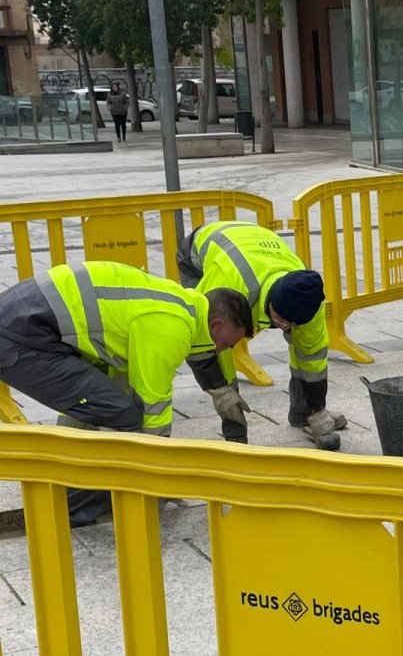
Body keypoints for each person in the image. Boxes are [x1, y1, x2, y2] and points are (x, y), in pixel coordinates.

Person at [0, 261, 252, 526]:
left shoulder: (180, 304)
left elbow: (123, 376)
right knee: (125, 415)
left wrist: (218, 388)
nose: (223, 351)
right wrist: (157, 478)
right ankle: (67, 511)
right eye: (227, 344)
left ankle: (64, 486)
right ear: (216, 324)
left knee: (103, 404)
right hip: (21, 337)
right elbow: (153, 405)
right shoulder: (171, 327)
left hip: (24, 318)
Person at [177, 221, 345, 451]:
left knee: (305, 348)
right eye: (282, 321)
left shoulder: (309, 301)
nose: (286, 328)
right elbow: (200, 340)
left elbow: (312, 358)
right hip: (199, 253)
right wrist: (222, 392)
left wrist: (317, 409)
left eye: (293, 325)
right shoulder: (230, 286)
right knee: (216, 342)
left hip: (256, 247)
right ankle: (234, 430)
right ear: (271, 301)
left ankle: (303, 414)